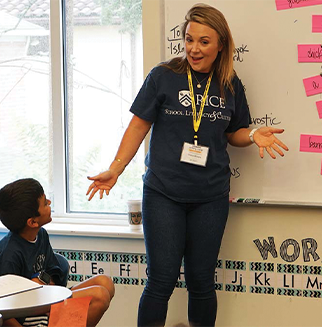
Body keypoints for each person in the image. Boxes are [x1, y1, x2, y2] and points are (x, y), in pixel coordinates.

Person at [86, 3, 288, 326]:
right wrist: (117, 167)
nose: (193, 48)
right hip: (163, 193)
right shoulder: (164, 76)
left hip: (210, 196)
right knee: (161, 281)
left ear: (221, 44)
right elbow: (139, 125)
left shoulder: (230, 83)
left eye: (203, 42)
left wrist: (251, 134)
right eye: (189, 39)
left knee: (202, 282)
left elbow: (233, 131)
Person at [0, 178, 115, 327]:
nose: (50, 202)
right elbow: (4, 309)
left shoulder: (41, 235)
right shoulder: (10, 254)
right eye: (45, 203)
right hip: (27, 316)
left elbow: (54, 271)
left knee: (104, 282)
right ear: (32, 222)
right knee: (99, 296)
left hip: (46, 298)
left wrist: (42, 281)